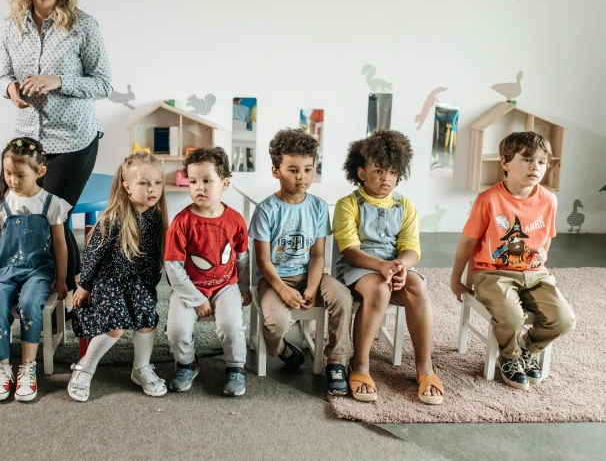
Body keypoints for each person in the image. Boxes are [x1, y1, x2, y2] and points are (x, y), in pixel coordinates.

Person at [0, 0, 113, 297]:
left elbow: (104, 83)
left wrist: (59, 81)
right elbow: (2, 74)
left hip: (74, 140)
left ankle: (76, 293)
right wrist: (10, 89)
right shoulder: (11, 28)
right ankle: (42, 286)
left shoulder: (83, 25)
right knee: (22, 217)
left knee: (53, 217)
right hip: (27, 143)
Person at [450, 131, 575, 390]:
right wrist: (456, 279)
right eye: (527, 159)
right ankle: (509, 356)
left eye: (541, 162)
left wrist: (537, 268)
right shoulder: (489, 200)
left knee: (564, 320)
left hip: (535, 274)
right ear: (505, 162)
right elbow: (468, 242)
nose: (535, 166)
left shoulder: (549, 200)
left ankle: (527, 348)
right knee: (512, 317)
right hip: (493, 274)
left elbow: (546, 238)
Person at [332, 130, 444, 404]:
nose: (386, 178)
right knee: (380, 289)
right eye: (378, 170)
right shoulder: (348, 204)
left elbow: (411, 247)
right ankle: (359, 366)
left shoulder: (405, 205)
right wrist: (382, 267)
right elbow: (350, 250)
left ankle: (424, 367)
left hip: (394, 266)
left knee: (417, 284)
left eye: (392, 172)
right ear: (361, 172)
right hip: (358, 266)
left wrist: (401, 265)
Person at [249, 129, 353, 395]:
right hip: (275, 280)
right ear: (276, 171)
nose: (302, 177)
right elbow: (262, 259)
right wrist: (283, 290)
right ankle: (280, 349)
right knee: (276, 324)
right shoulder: (266, 210)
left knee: (342, 296)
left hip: (309, 276)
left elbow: (318, 254)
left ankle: (336, 361)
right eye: (293, 170)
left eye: (307, 169)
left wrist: (312, 286)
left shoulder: (318, 207)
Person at [67, 152, 169, 402]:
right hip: (109, 280)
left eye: (157, 182)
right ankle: (86, 366)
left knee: (148, 318)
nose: (152, 189)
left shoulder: (156, 217)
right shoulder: (114, 218)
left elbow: (155, 257)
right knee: (117, 324)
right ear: (127, 186)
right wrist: (85, 285)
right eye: (144, 183)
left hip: (138, 282)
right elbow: (93, 254)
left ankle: (141, 368)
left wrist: (149, 286)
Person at [0, 137, 70, 402]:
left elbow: (60, 244)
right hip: (3, 271)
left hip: (37, 272)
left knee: (30, 304)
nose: (12, 180)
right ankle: (3, 367)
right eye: (8, 173)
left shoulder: (52, 204)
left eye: (20, 175)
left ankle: (28, 366)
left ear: (40, 172)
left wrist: (62, 279)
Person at [165, 147, 251, 396]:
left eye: (206, 181)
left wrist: (243, 286)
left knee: (232, 326)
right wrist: (197, 299)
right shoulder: (181, 223)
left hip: (226, 286)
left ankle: (236, 367)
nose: (198, 187)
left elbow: (243, 258)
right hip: (189, 288)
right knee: (177, 330)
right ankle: (186, 363)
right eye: (193, 181)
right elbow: (173, 268)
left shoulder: (235, 220)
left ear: (224, 183)